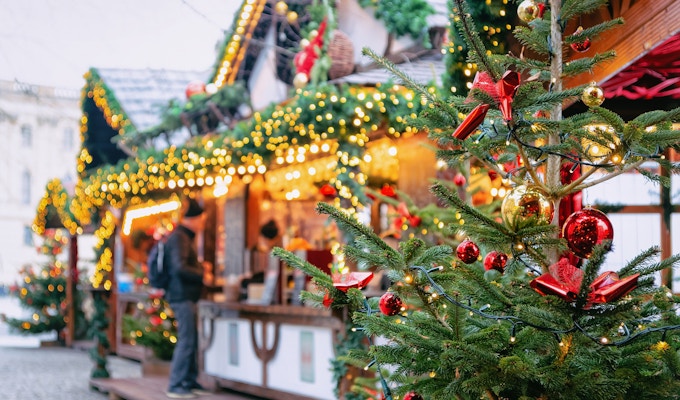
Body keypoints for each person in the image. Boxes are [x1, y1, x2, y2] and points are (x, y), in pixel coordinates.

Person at [164, 197, 210, 398]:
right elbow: (179, 268)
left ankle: (189, 381)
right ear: (194, 219)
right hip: (181, 296)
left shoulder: (183, 238)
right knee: (187, 340)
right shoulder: (180, 238)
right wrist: (202, 274)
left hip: (186, 296)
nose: (203, 224)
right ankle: (176, 384)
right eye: (201, 219)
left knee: (192, 339)